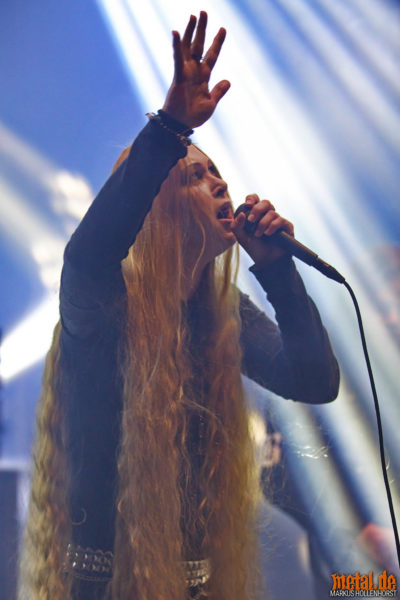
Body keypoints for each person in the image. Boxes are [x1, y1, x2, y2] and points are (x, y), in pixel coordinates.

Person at [18, 12, 339, 600]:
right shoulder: (101, 297)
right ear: (155, 208)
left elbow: (315, 382)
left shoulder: (222, 310)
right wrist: (170, 129)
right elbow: (88, 252)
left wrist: (278, 271)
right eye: (194, 177)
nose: (219, 183)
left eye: (217, 172)